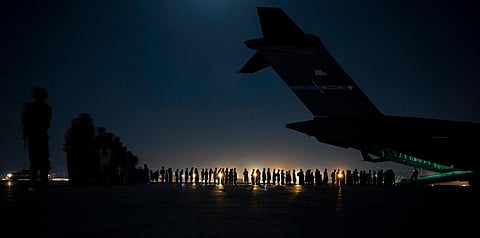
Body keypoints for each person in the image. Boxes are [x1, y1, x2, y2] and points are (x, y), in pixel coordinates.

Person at [21, 86, 52, 187]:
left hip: (34, 136)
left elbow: (25, 122)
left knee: (34, 158)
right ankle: (43, 178)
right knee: (43, 158)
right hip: (42, 136)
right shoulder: (47, 108)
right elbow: (47, 124)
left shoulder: (29, 107)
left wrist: (26, 133)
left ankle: (34, 179)